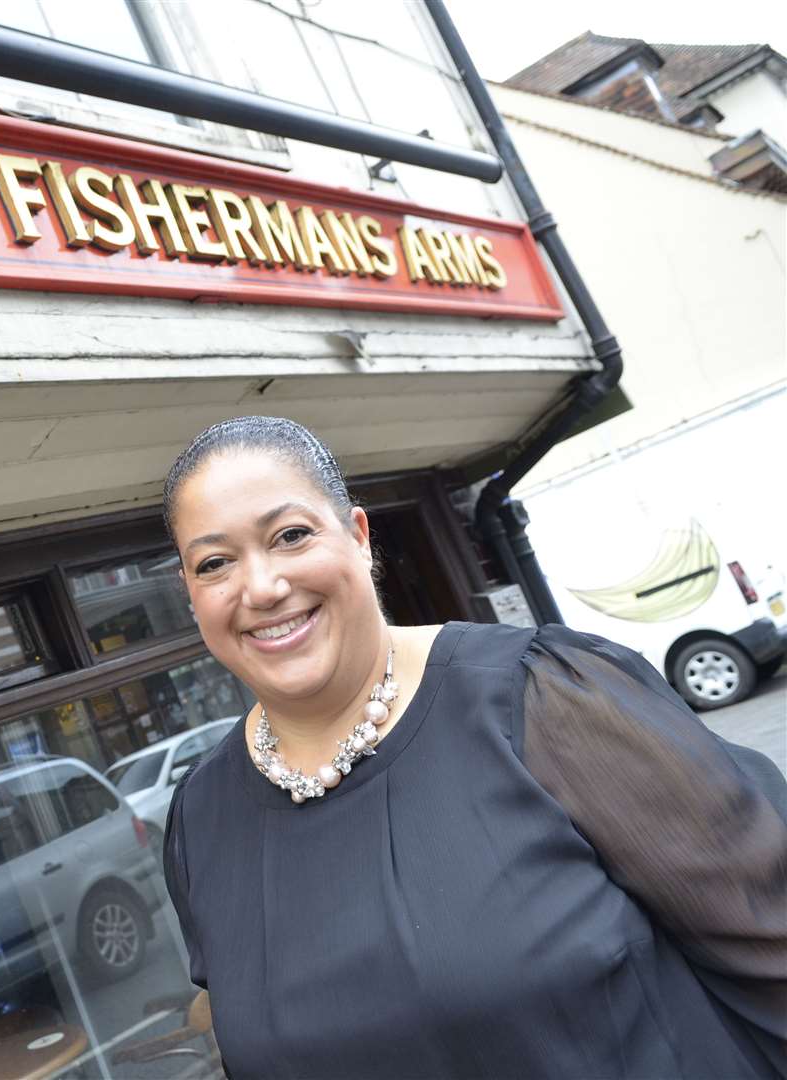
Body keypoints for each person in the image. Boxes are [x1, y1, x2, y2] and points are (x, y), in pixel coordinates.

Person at [160, 416, 787, 1079]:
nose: (260, 588)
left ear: (358, 536)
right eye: (215, 563)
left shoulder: (545, 700)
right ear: (191, 594)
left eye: (291, 535)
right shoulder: (202, 820)